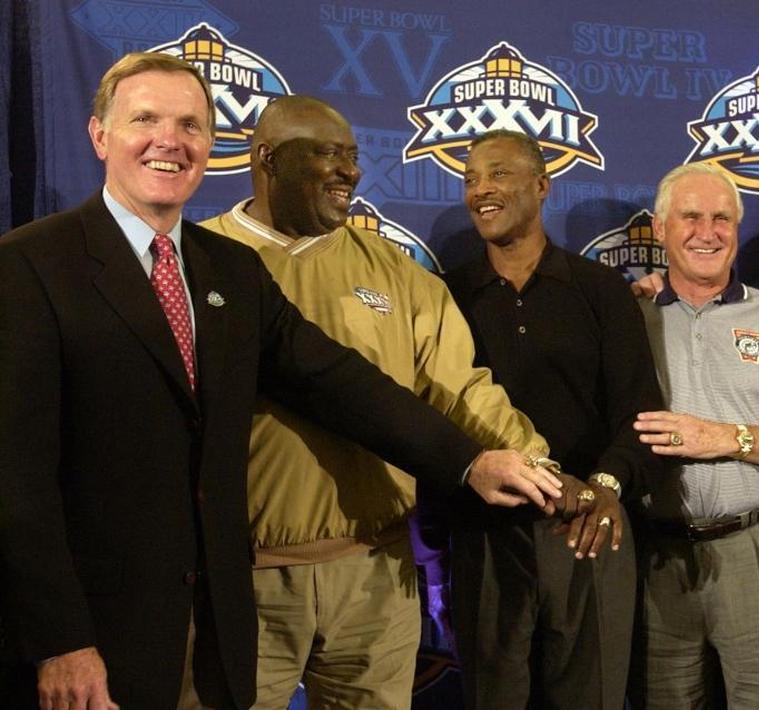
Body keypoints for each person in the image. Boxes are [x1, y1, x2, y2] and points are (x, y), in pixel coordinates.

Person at [0, 53, 562, 710]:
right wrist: (59, 640)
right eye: (144, 119)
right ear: (100, 135)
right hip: (97, 630)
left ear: (213, 145)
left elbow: (341, 384)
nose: (169, 140)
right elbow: (17, 479)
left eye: (189, 125)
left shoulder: (228, 272)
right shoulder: (29, 267)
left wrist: (468, 461)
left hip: (220, 614)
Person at [200, 96, 553, 708]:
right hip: (240, 579)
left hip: (375, 573)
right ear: (266, 158)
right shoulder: (198, 259)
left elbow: (459, 385)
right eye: (327, 154)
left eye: (354, 157)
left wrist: (535, 460)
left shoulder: (393, 268)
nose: (351, 172)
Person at [437, 129, 663, 709]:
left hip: (589, 523)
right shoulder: (444, 295)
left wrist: (608, 487)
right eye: (470, 179)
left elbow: (638, 408)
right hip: (487, 531)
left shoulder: (598, 290)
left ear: (542, 186)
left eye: (498, 174)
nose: (481, 190)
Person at [628, 162, 759, 709]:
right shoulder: (627, 320)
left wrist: (722, 438)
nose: (708, 231)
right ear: (659, 227)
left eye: (723, 218)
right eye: (691, 216)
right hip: (654, 555)